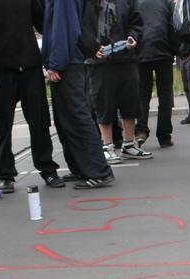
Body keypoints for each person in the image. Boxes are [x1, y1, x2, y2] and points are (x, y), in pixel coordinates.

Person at [0, 0, 64, 194]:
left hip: (30, 67)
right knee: (1, 124)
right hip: (1, 70)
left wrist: (55, 54)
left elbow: (43, 24)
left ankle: (47, 169)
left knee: (40, 121)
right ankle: (6, 174)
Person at [42, 0, 114, 189]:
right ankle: (81, 168)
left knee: (77, 117)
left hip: (68, 62)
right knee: (67, 119)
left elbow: (64, 27)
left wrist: (56, 63)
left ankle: (99, 171)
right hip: (71, 59)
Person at [86, 0, 153, 165]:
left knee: (130, 101)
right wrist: (92, 47)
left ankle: (129, 143)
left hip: (126, 57)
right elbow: (83, 25)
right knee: (103, 102)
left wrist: (132, 36)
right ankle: (107, 145)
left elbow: (136, 22)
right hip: (99, 61)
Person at [135, 0, 176, 148]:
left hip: (141, 51)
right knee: (165, 95)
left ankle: (140, 131)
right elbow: (173, 26)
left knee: (143, 94)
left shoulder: (136, 3)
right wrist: (175, 49)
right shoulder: (166, 2)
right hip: (163, 50)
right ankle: (164, 136)